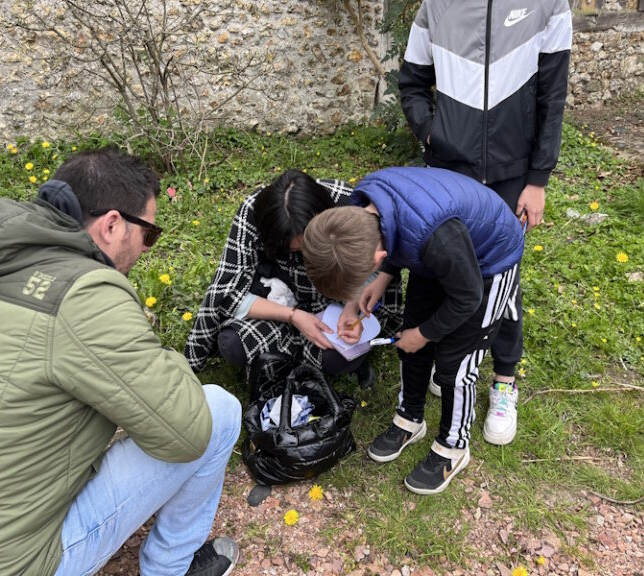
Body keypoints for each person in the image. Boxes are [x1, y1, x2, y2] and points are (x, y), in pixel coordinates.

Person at [0, 149, 241, 576]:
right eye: (148, 233)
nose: (147, 249)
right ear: (113, 225)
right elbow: (187, 434)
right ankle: (169, 568)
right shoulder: (83, 295)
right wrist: (157, 354)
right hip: (13, 566)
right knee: (218, 412)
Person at [398, 0, 572, 444]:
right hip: (447, 169)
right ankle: (452, 363)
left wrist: (538, 178)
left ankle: (504, 381)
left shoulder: (548, 4)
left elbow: (553, 96)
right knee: (441, 269)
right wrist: (432, 132)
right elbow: (412, 82)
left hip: (513, 174)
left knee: (502, 280)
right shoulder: (436, 5)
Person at [302, 167, 524, 495]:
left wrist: (425, 333)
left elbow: (468, 297)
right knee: (409, 342)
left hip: (489, 263)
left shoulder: (435, 237)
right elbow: (395, 230)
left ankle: (453, 446)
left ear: (378, 256)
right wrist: (377, 281)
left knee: (455, 363)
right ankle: (410, 418)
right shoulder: (361, 207)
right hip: (433, 253)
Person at [184, 169, 402, 387]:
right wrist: (293, 316)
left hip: (332, 306)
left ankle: (281, 364)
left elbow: (376, 266)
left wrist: (351, 308)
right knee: (232, 344)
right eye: (293, 249)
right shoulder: (254, 213)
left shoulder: (349, 205)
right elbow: (228, 293)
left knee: (338, 355)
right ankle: (298, 364)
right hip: (278, 302)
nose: (303, 253)